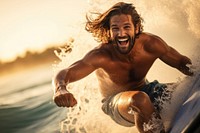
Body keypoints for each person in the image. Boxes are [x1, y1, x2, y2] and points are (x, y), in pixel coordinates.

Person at [53, 2, 193, 133]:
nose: (121, 34)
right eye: (115, 29)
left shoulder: (151, 44)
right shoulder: (101, 55)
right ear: (109, 32)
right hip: (115, 103)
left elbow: (182, 63)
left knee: (187, 89)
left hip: (148, 89)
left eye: (126, 27)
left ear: (136, 28)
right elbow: (67, 72)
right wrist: (60, 89)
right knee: (139, 99)